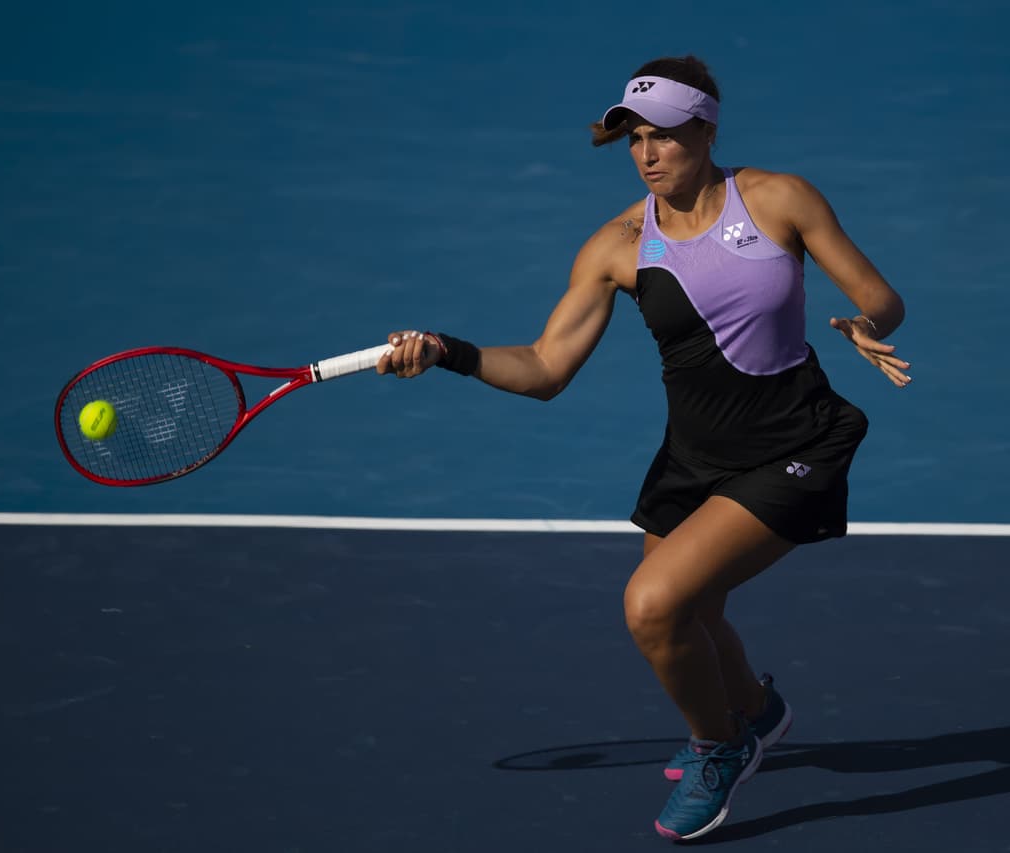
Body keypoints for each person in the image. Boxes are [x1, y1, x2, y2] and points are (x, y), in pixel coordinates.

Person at [376, 54, 910, 841]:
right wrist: (448, 351)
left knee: (653, 605)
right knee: (695, 608)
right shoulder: (618, 245)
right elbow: (546, 368)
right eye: (634, 140)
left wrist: (868, 324)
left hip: (795, 442)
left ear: (707, 130)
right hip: (694, 456)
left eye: (664, 136)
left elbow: (879, 296)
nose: (648, 154)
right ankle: (756, 712)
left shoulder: (779, 199)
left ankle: (720, 744)